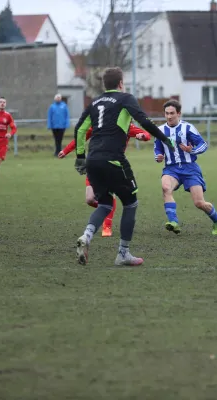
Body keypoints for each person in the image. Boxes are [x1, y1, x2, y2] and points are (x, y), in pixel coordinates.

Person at [73, 66, 176, 266]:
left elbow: (80, 129)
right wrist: (164, 139)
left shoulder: (95, 102)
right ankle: (123, 253)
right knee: (131, 203)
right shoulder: (125, 98)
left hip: (93, 159)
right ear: (121, 84)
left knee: (104, 203)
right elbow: (144, 121)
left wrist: (80, 157)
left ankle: (86, 236)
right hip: (113, 159)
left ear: (104, 84)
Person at [59, 122, 151, 237]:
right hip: (94, 164)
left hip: (113, 165)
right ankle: (108, 208)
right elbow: (81, 137)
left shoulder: (125, 124)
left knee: (108, 196)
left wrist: (143, 136)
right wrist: (66, 150)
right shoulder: (99, 123)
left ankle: (107, 225)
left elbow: (146, 134)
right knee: (90, 199)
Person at [155, 99, 217, 235]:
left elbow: (203, 145)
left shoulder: (188, 128)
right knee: (165, 188)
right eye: (167, 113)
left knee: (199, 203)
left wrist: (191, 150)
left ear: (178, 113)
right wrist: (159, 156)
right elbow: (157, 149)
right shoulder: (160, 130)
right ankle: (173, 222)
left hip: (190, 168)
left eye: (172, 113)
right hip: (171, 168)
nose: (169, 116)